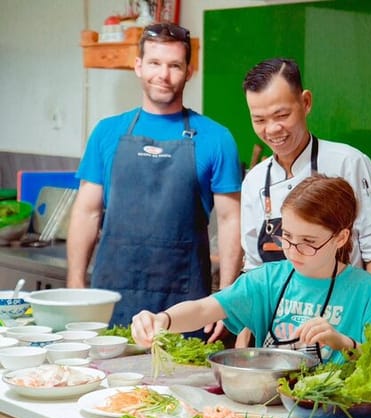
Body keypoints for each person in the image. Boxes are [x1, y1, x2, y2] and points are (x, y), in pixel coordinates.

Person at [66, 23, 244, 331]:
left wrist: (224, 301)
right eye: (154, 63)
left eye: (174, 65)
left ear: (189, 71)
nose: (163, 75)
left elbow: (231, 221)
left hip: (185, 306)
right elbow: (87, 211)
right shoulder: (107, 132)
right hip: (110, 299)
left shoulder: (217, 138)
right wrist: (75, 281)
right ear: (138, 66)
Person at [131, 175, 371, 363]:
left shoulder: (362, 288)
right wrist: (162, 320)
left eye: (309, 242)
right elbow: (203, 309)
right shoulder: (268, 280)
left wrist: (342, 342)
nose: (293, 250)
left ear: (340, 238)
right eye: (286, 236)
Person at [240, 58, 371, 308]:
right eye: (259, 120)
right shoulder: (254, 180)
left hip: (342, 319)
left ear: (306, 102)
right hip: (276, 325)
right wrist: (247, 332)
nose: (272, 129)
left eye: (282, 115)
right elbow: (254, 268)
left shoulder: (348, 163)